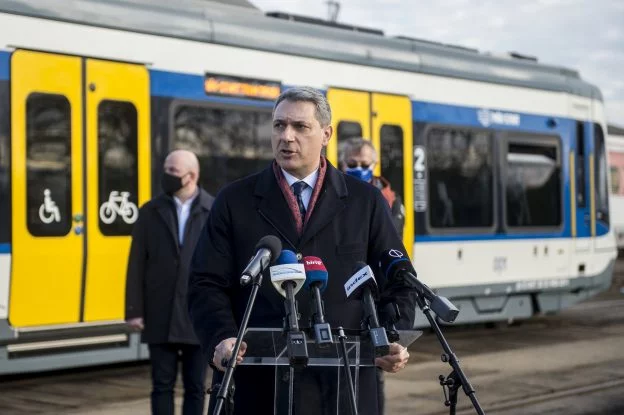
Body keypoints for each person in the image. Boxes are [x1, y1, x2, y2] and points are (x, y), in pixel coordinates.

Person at [188, 87, 416, 415]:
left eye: (300, 126)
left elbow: (399, 280)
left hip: (343, 388)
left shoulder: (365, 201)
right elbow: (205, 283)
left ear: (326, 134)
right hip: (256, 384)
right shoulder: (234, 200)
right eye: (279, 125)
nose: (287, 136)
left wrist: (392, 337)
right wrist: (221, 337)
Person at [125, 149, 215, 415]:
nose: (167, 176)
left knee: (195, 387)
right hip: (159, 312)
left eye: (173, 171)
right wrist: (134, 310)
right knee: (161, 385)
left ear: (192, 176)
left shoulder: (213, 210)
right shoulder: (150, 211)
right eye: (166, 170)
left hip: (198, 315)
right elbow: (136, 262)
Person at [339, 137, 405, 238]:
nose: (358, 168)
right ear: (343, 164)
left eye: (365, 165)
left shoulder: (391, 199)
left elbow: (392, 238)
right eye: (352, 164)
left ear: (374, 165)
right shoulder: (331, 194)